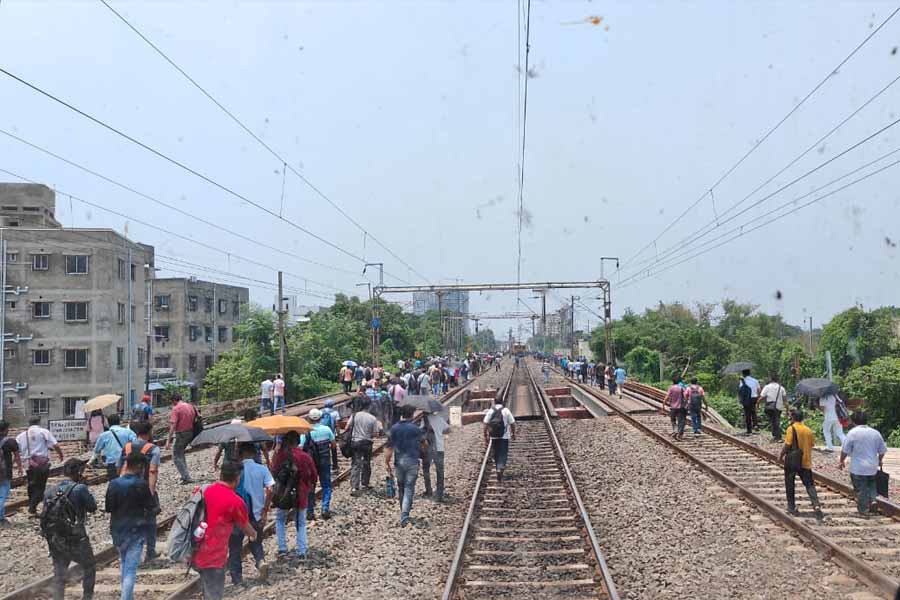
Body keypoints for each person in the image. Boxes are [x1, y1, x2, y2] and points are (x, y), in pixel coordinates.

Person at [192, 462, 258, 600]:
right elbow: (245, 526)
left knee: (207, 588)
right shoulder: (235, 501)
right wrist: (254, 534)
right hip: (214, 556)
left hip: (196, 549)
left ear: (221, 475)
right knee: (214, 593)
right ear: (238, 478)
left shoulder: (204, 490)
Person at [106, 452, 157, 600]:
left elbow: (109, 507)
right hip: (136, 530)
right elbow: (151, 506)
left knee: (123, 562)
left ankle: (127, 596)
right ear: (140, 466)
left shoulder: (114, 483)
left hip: (117, 529)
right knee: (130, 569)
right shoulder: (141, 484)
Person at [44, 458, 96, 600]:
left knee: (59, 573)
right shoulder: (80, 488)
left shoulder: (50, 491)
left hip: (55, 537)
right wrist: (85, 488)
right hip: (76, 537)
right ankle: (87, 597)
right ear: (79, 472)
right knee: (89, 566)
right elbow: (92, 507)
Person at [229, 444, 273, 585]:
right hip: (256, 512)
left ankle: (237, 579)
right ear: (254, 454)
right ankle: (260, 561)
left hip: (237, 514)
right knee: (255, 540)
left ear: (240, 454)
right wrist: (265, 509)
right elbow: (270, 489)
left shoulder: (235, 471)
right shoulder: (262, 469)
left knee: (234, 547)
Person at [117, 421, 161, 562]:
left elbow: (119, 467)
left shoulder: (127, 447)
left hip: (125, 489)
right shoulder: (153, 449)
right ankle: (150, 552)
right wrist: (151, 493)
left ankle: (127, 552)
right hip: (143, 489)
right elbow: (153, 471)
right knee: (150, 520)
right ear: (149, 433)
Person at [271, 431, 317, 559]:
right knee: (301, 523)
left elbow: (273, 472)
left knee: (280, 520)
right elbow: (313, 475)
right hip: (300, 494)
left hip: (283, 494)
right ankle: (301, 551)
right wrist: (309, 486)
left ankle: (282, 549)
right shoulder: (305, 456)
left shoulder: (280, 456)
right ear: (298, 441)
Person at [840, 411, 887, 518]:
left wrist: (841, 461)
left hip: (858, 467)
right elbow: (882, 450)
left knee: (860, 489)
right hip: (872, 466)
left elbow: (845, 450)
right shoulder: (875, 433)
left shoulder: (852, 433)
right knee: (871, 484)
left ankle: (863, 511)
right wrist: (879, 460)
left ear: (854, 421)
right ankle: (873, 500)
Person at [385, 405, 426, 527]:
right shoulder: (415, 429)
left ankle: (403, 510)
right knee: (409, 488)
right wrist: (421, 450)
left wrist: (386, 462)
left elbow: (389, 447)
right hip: (412, 462)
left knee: (401, 487)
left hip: (399, 462)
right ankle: (404, 514)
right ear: (412, 414)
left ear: (401, 414)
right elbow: (425, 444)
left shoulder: (394, 428)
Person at [779, 410, 824, 520]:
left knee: (790, 483)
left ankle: (791, 507)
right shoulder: (808, 430)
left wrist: (781, 455)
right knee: (809, 484)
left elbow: (788, 444)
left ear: (793, 418)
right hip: (805, 461)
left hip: (793, 462)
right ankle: (816, 505)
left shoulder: (791, 428)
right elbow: (812, 444)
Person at [17, 416, 64, 515]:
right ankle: (32, 507)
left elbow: (17, 450)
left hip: (28, 464)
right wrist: (60, 454)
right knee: (40, 486)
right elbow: (55, 445)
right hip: (41, 464)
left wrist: (18, 464)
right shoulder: (43, 432)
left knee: (31, 485)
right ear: (39, 422)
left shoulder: (21, 435)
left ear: (29, 423)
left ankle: (32, 506)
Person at [301, 408, 337, 520]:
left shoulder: (306, 431)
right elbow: (334, 445)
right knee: (326, 485)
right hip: (325, 461)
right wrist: (335, 462)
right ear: (321, 418)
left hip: (311, 464)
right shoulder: (326, 430)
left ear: (309, 418)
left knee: (311, 486)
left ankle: (310, 511)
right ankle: (325, 508)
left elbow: (301, 448)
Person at [348, 398, 382, 494]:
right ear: (369, 406)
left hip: (355, 442)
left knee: (355, 464)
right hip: (367, 443)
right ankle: (364, 484)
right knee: (366, 463)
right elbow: (376, 434)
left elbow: (347, 426)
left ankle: (354, 487)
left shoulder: (354, 415)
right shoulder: (372, 418)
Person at [90, 413, 137, 481]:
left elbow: (96, 451)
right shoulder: (129, 432)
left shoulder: (103, 435)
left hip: (112, 464)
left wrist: (91, 462)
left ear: (109, 423)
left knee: (114, 484)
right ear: (119, 422)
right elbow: (136, 444)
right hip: (127, 462)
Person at [165, 394, 198, 484]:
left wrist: (168, 440)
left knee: (176, 456)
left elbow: (173, 425)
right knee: (181, 454)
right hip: (190, 432)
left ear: (174, 401)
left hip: (181, 434)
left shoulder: (176, 408)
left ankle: (186, 477)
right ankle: (185, 474)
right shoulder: (190, 406)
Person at [483, 399, 516, 482]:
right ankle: (500, 469)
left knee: (496, 453)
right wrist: (513, 433)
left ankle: (498, 466)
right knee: (503, 453)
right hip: (504, 436)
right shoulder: (506, 410)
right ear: (502, 402)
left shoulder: (491, 411)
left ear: (494, 402)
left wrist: (485, 436)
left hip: (494, 436)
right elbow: (512, 423)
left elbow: (485, 423)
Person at [422, 412, 450, 501]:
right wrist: (440, 431)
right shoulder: (438, 418)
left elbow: (421, 432)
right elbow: (448, 429)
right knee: (440, 471)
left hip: (427, 449)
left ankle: (429, 490)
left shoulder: (424, 420)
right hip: (439, 448)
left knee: (426, 469)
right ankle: (439, 494)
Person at [0, 421, 22, 525]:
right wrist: (20, 468)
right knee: (3, 495)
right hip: (4, 473)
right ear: (5, 430)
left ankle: (1, 517)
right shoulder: (10, 441)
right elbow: (17, 456)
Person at [759, 374, 787, 441]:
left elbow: (762, 397)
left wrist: (757, 404)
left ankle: (777, 436)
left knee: (774, 421)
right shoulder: (781, 388)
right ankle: (777, 436)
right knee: (776, 421)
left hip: (770, 407)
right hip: (779, 407)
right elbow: (785, 400)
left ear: (771, 379)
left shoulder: (767, 387)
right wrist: (787, 409)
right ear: (778, 380)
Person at [664, 376, 687, 440]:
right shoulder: (681, 388)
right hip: (681, 407)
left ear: (673, 382)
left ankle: (675, 430)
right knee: (681, 421)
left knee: (673, 420)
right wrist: (686, 403)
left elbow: (667, 397)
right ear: (679, 382)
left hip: (673, 407)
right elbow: (685, 397)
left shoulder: (671, 388)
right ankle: (679, 433)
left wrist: (663, 405)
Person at [738, 369, 760, 435]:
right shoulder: (755, 380)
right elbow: (759, 390)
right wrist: (758, 398)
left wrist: (740, 399)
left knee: (747, 414)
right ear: (749, 373)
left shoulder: (742, 381)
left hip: (746, 399)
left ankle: (749, 429)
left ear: (743, 374)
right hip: (754, 398)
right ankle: (755, 424)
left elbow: (740, 391)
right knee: (753, 411)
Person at [320, 399, 341, 470]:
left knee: (325, 450)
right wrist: (339, 434)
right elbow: (337, 425)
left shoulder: (321, 412)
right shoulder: (335, 413)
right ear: (332, 405)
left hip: (323, 434)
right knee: (333, 449)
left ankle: (326, 465)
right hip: (331, 433)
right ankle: (335, 465)